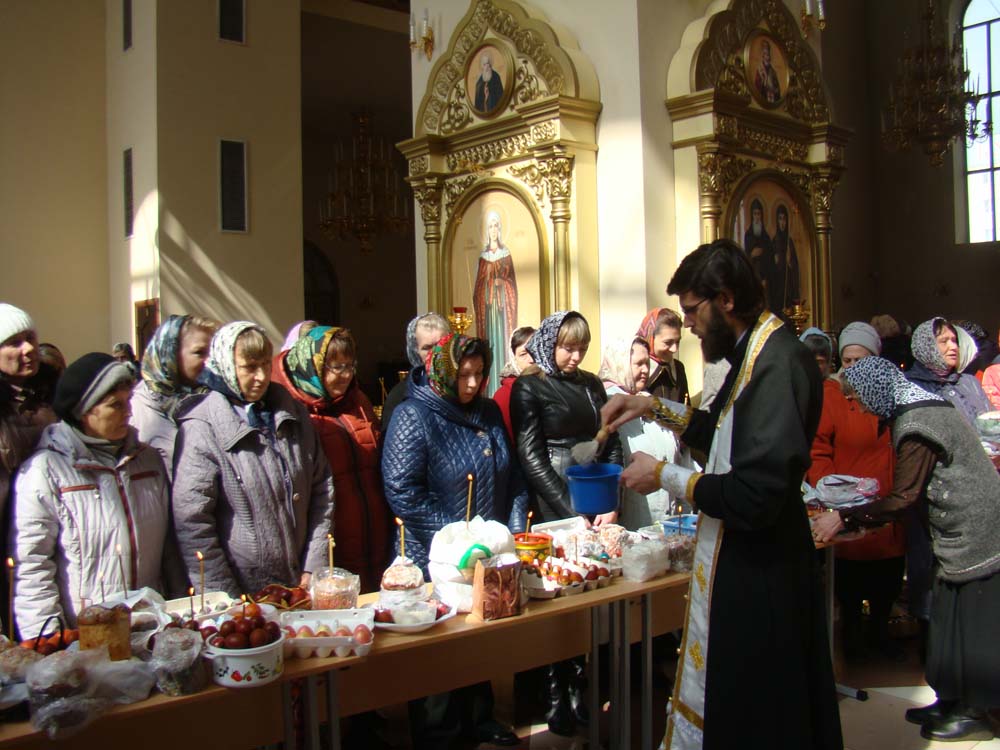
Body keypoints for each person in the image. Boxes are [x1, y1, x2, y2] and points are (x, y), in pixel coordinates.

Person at [602, 239, 841, 750]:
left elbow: (754, 492)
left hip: (763, 570)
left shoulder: (780, 364)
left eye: (692, 310)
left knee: (759, 710)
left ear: (725, 300)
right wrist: (650, 406)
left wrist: (665, 475)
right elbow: (725, 434)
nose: (687, 324)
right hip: (746, 561)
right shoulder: (754, 353)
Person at [815, 356, 1000, 742]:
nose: (860, 407)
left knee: (971, 620)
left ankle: (975, 708)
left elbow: (903, 498)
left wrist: (845, 518)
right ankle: (949, 698)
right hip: (958, 530)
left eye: (859, 398)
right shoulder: (919, 406)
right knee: (948, 614)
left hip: (976, 529)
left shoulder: (917, 423)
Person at [381, 334, 526, 749]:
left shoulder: (487, 413)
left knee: (477, 637)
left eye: (479, 374)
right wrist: (460, 539)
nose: (472, 384)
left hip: (485, 551)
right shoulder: (415, 416)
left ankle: (480, 718)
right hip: (435, 553)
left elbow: (512, 476)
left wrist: (510, 534)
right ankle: (439, 733)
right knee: (439, 650)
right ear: (443, 372)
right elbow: (403, 491)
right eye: (464, 375)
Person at [11, 353, 180, 635]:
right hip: (87, 634)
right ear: (84, 411)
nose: (128, 411)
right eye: (116, 405)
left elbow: (170, 550)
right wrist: (48, 638)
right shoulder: (46, 470)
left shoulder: (148, 460)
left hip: (151, 625)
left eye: (128, 401)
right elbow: (32, 565)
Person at [510, 310, 622, 737]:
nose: (574, 357)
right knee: (555, 594)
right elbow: (531, 455)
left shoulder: (592, 385)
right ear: (550, 343)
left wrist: (610, 501)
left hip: (595, 490)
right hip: (554, 494)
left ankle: (579, 686)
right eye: (567, 347)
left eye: (581, 349)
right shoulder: (530, 386)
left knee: (587, 589)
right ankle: (554, 692)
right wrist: (571, 509)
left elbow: (609, 439)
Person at [172, 321, 334, 597]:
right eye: (249, 367)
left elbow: (321, 490)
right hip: (242, 592)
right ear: (226, 366)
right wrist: (224, 597)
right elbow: (193, 522)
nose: (260, 377)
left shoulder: (292, 415)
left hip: (299, 586)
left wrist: (313, 566)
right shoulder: (202, 428)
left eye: (264, 366)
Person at [807, 322, 904, 662]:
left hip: (883, 500)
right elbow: (817, 449)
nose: (851, 368)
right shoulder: (831, 396)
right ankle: (851, 639)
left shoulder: (888, 394)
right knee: (849, 580)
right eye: (846, 361)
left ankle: (880, 632)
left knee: (886, 578)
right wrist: (831, 489)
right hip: (844, 501)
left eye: (859, 360)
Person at [272, 326, 392, 593]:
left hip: (373, 537)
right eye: (336, 367)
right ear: (311, 366)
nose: (346, 375)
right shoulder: (294, 412)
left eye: (350, 366)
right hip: (327, 545)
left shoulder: (358, 400)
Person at [599, 337, 691, 527]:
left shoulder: (651, 404)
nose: (645, 371)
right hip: (629, 523)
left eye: (647, 364)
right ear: (620, 363)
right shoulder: (605, 406)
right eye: (638, 364)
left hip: (669, 522)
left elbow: (679, 459)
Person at [130, 315, 217, 477]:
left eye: (212, 353)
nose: (209, 361)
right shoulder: (136, 413)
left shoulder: (212, 402)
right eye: (200, 352)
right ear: (170, 354)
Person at [473, 211, 518, 396]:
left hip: (501, 314)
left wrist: (502, 284)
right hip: (488, 311)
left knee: (500, 346)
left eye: (495, 226)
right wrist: (487, 287)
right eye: (490, 226)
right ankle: (489, 389)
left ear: (499, 229)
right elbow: (478, 287)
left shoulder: (506, 255)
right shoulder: (483, 258)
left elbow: (512, 285)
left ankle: (501, 388)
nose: (493, 230)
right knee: (489, 346)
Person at [381, 313, 451, 430]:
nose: (434, 353)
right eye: (427, 348)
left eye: (439, 345)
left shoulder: (461, 387)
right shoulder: (400, 396)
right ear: (415, 351)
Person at [637, 308, 689, 403]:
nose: (674, 349)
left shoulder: (678, 368)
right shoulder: (632, 370)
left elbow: (686, 412)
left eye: (678, 341)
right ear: (650, 338)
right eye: (667, 342)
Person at [491, 325, 534, 439]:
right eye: (523, 354)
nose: (531, 360)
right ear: (514, 358)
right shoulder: (505, 395)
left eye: (535, 351)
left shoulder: (553, 384)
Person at [768, 204, 800, 313]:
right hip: (777, 288)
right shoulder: (774, 241)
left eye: (784, 219)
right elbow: (770, 268)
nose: (782, 223)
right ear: (777, 221)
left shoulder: (789, 241)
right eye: (780, 219)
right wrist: (775, 262)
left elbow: (795, 265)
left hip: (788, 287)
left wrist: (790, 262)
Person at [742, 198, 772, 290]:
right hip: (752, 275)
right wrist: (751, 254)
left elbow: (770, 255)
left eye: (759, 214)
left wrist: (763, 252)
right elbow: (745, 257)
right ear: (752, 215)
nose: (757, 217)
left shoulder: (766, 237)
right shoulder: (748, 235)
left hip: (764, 276)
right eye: (755, 214)